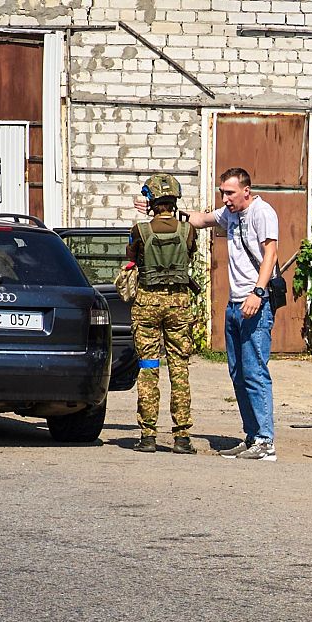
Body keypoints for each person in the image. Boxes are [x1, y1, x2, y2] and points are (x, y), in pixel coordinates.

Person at [183, 167, 280, 461]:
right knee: (238, 373)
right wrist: (164, 209)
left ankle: (266, 442)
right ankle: (251, 436)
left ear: (246, 191)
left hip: (254, 304)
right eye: (222, 193)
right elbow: (200, 220)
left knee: (255, 371)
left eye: (230, 193)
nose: (225, 199)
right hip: (234, 305)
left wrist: (258, 292)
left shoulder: (263, 213)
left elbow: (271, 255)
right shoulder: (230, 214)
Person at [129, 173, 197, 455]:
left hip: (146, 303)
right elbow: (190, 253)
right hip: (179, 303)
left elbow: (131, 260)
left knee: (148, 367)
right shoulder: (187, 230)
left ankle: (148, 436)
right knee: (179, 367)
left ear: (151, 200)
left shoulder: (140, 230)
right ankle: (181, 437)